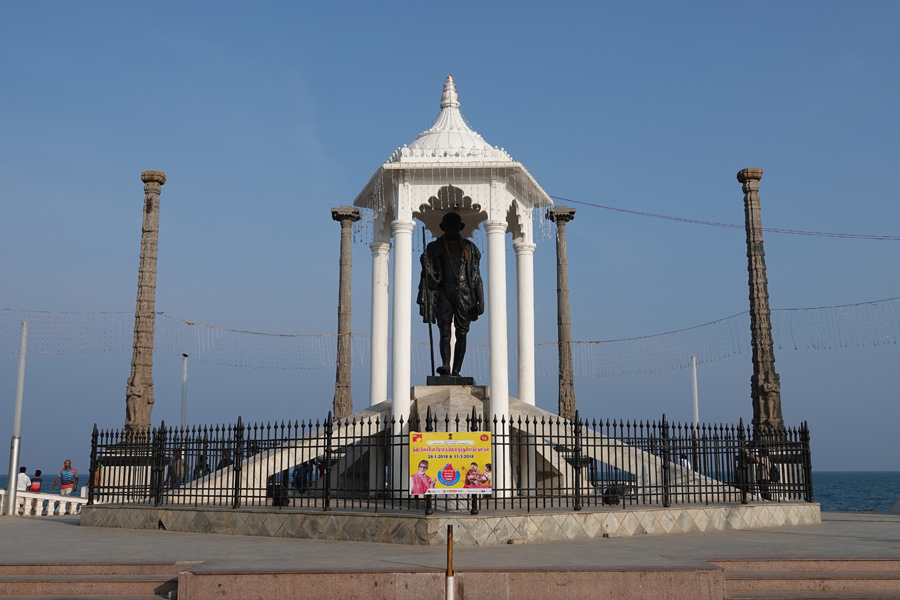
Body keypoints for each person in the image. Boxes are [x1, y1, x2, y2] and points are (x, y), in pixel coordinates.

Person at [417, 212, 485, 377]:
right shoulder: (436, 246)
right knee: (444, 331)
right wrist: (425, 263)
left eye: (455, 226)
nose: (452, 229)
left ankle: (456, 370)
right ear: (443, 228)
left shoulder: (469, 248)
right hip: (444, 292)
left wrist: (481, 301)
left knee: (461, 333)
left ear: (460, 227)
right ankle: (446, 365)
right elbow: (429, 271)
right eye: (449, 226)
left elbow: (476, 277)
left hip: (464, 293)